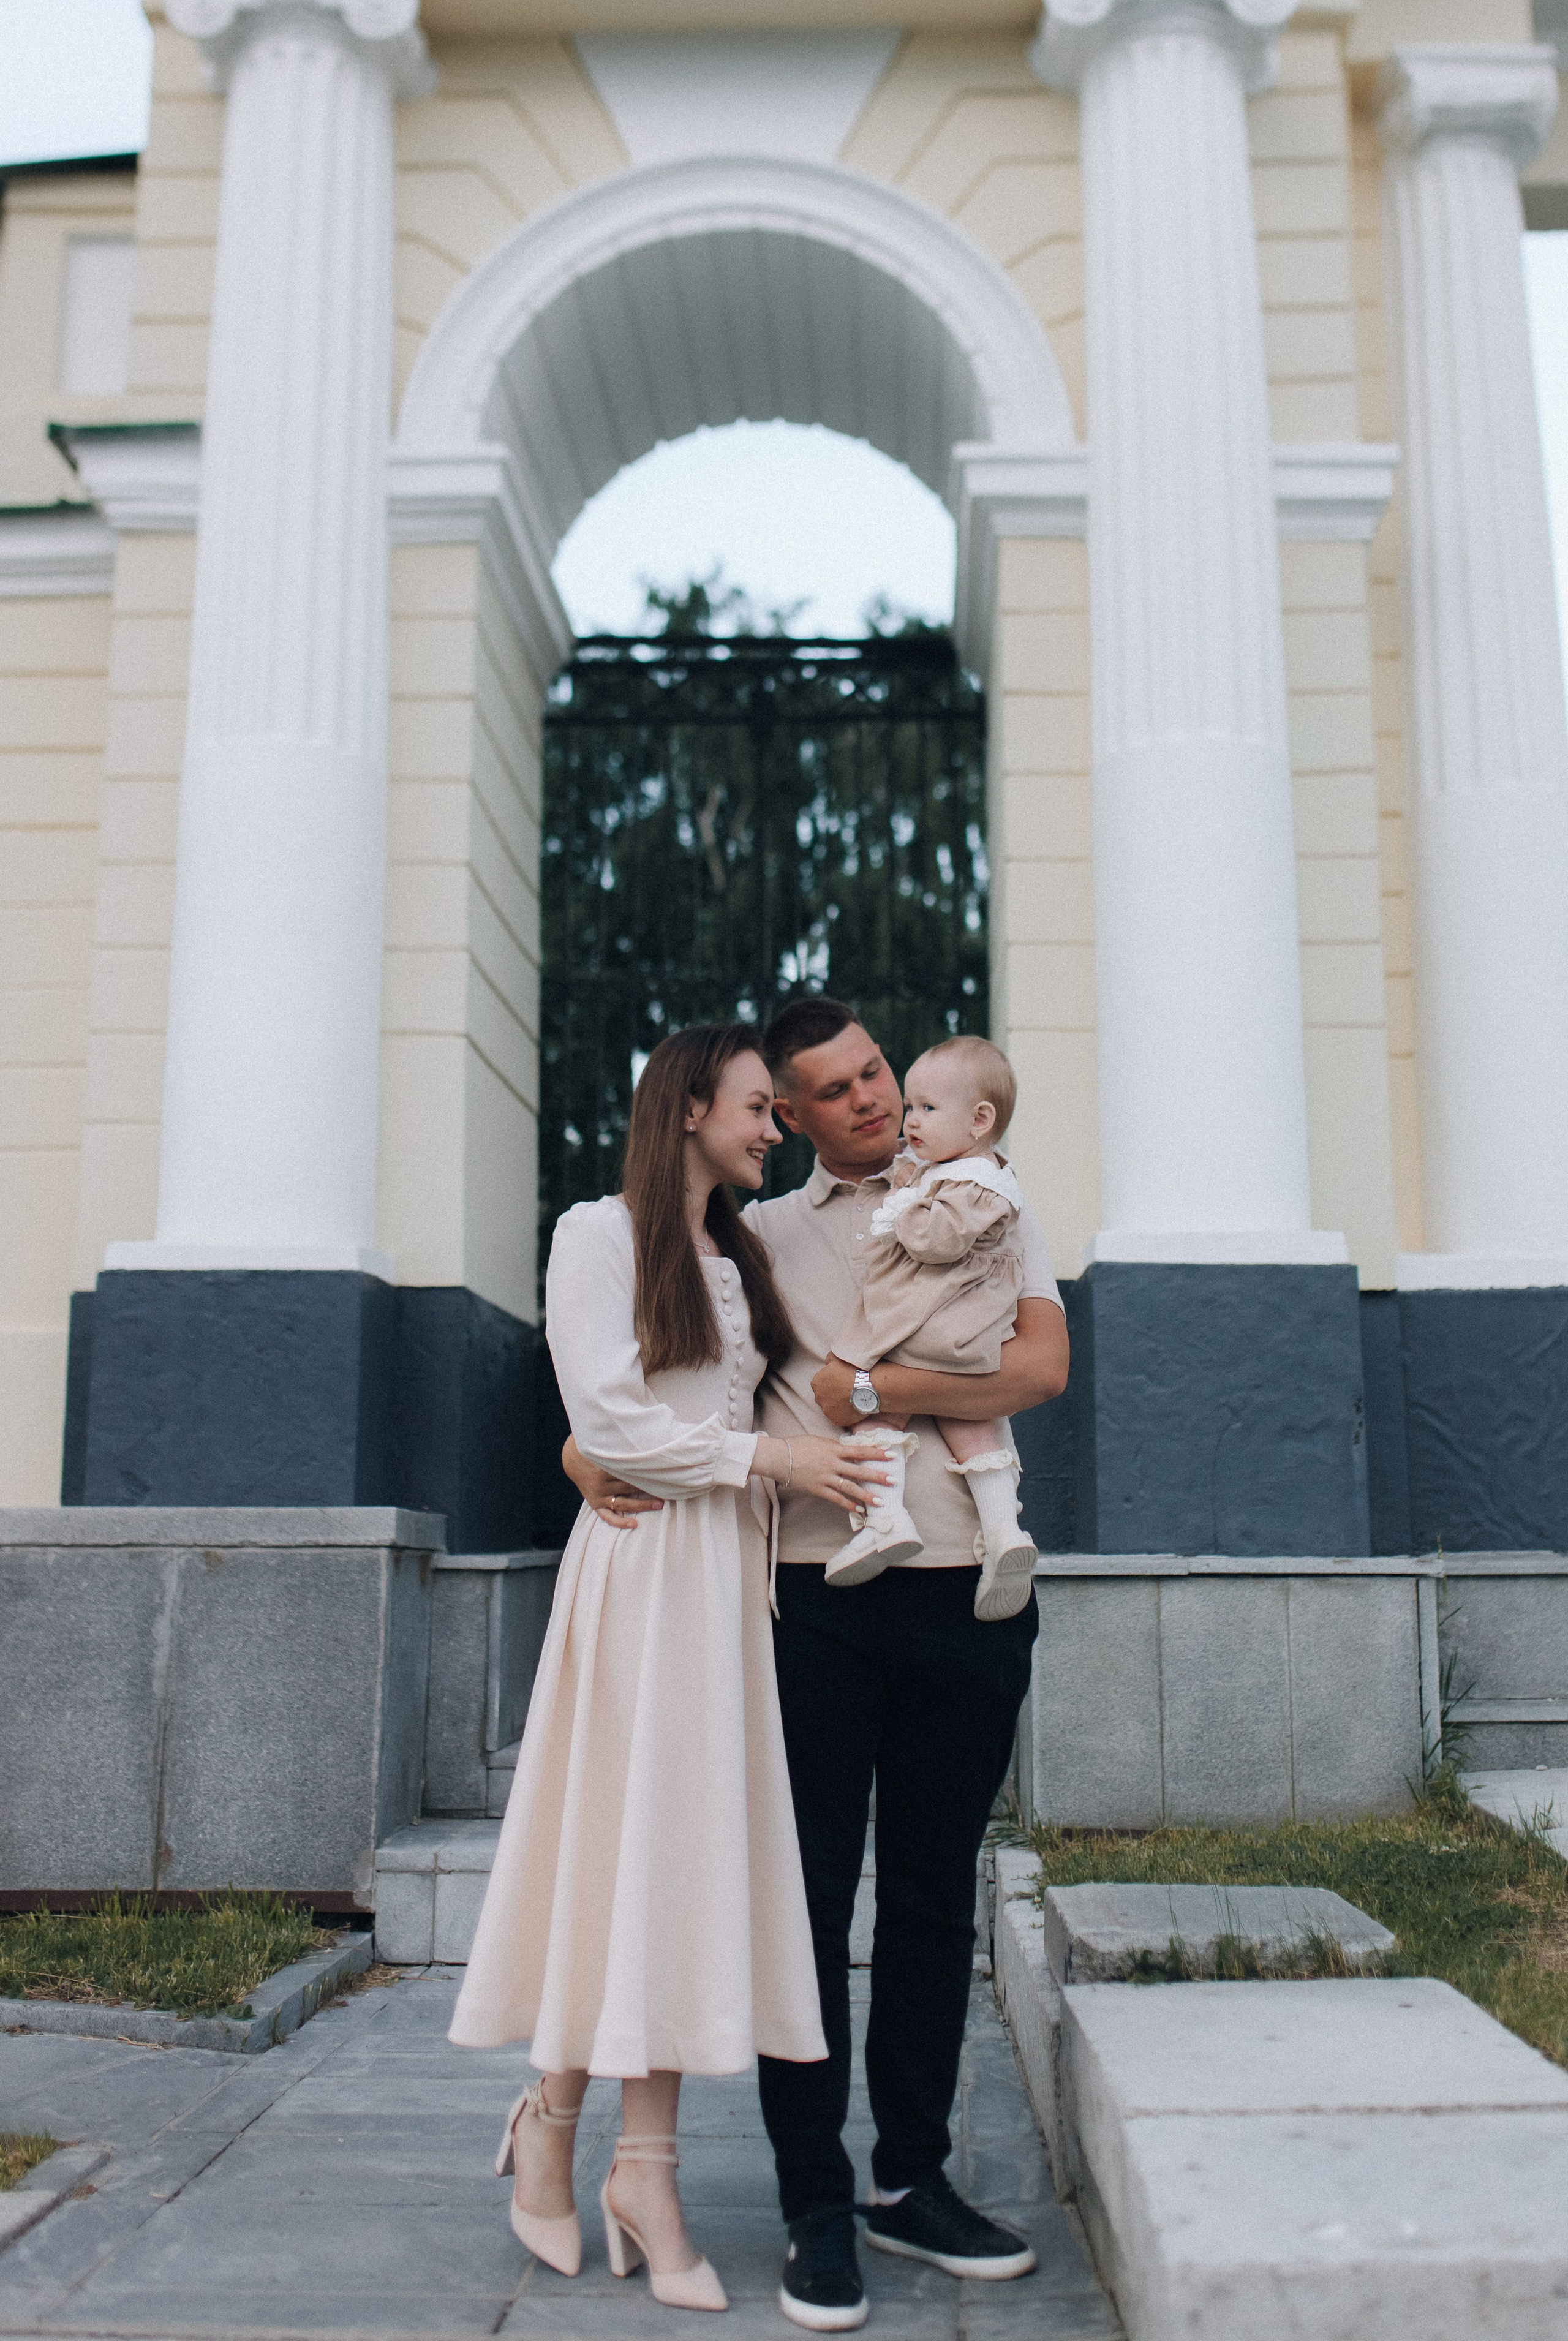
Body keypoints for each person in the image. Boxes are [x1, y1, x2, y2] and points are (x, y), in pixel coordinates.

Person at [568, 999, 1069, 2332]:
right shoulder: (758, 1237)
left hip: (970, 1590)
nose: (870, 1098)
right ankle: (814, 2204)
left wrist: (874, 1393)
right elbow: (673, 1383)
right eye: (835, 1089)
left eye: (877, 1073)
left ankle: (912, 2180)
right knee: (805, 1904)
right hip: (811, 1603)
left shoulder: (989, 1193)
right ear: (783, 1115)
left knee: (932, 1899)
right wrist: (579, 1451)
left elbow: (1040, 1366)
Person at [451, 1023, 891, 2315]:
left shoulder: (738, 1255)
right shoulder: (598, 1234)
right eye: (757, 1106)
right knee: (623, 1847)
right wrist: (769, 1462)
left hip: (728, 1584)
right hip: (645, 1574)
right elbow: (608, 1417)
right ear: (690, 1106)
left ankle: (629, 2162)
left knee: (679, 1862)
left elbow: (704, 1418)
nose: (773, 1127)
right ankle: (571, 2132)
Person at [824, 1034, 1038, 1619]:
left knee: (877, 1412)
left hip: (932, 1323)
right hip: (969, 1336)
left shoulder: (973, 1182)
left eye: (928, 1108)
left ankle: (885, 1519)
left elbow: (935, 1242)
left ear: (979, 1121)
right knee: (971, 1425)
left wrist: (904, 1198)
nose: (911, 1121)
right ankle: (1003, 1531)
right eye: (912, 1106)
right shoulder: (970, 1174)